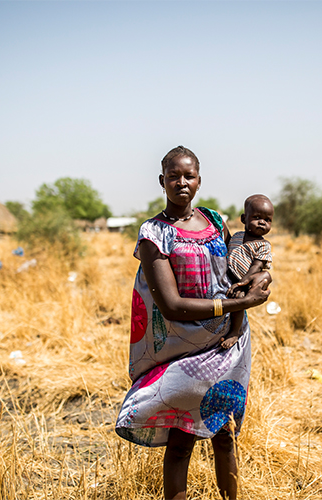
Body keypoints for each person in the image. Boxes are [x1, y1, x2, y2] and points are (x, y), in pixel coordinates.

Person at [115, 146, 271, 500]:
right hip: (181, 352)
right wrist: (240, 302)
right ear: (162, 181)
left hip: (226, 347)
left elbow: (238, 267)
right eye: (173, 176)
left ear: (199, 181)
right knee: (181, 441)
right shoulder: (154, 233)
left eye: (189, 176)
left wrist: (259, 277)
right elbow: (171, 306)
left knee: (225, 435)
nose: (181, 183)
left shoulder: (216, 221)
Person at [221, 194, 274, 349]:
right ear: (244, 219)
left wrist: (242, 282)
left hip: (245, 281)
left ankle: (235, 332)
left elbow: (256, 267)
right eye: (257, 217)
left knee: (239, 299)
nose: (262, 222)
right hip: (228, 275)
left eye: (267, 220)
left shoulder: (263, 246)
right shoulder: (237, 236)